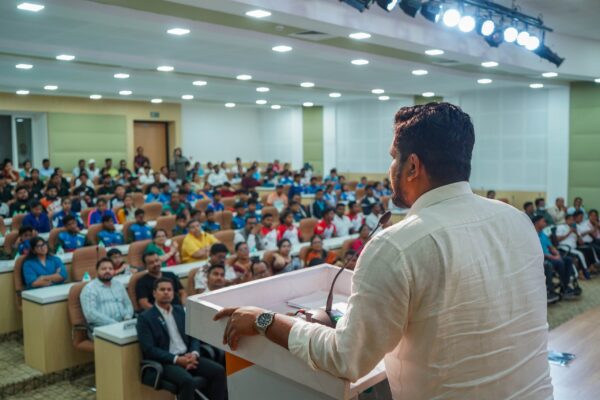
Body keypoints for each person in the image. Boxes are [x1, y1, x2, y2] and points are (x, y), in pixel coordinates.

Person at [214, 103, 554, 399]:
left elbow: (346, 358)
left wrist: (264, 320)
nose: (390, 168)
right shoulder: (517, 220)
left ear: (412, 167)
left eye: (394, 158)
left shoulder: (397, 246)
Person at [137, 278, 227, 400]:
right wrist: (177, 359)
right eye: (162, 289)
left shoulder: (180, 311)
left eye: (169, 290)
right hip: (167, 361)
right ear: (154, 293)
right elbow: (149, 349)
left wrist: (194, 354)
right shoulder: (145, 318)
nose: (166, 292)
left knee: (218, 371)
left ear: (173, 293)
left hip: (188, 356)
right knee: (187, 381)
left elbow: (193, 335)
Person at [80, 258, 134, 338]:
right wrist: (115, 324)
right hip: (102, 328)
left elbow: (128, 304)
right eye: (103, 269)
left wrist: (127, 317)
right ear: (97, 271)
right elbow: (90, 314)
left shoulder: (118, 285)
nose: (107, 271)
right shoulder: (89, 289)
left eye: (110, 269)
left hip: (124, 324)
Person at [533, 215, 578, 299]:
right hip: (540, 258)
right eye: (543, 221)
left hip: (550, 256)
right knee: (559, 262)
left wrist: (557, 254)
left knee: (568, 260)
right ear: (537, 222)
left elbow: (551, 247)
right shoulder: (532, 234)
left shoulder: (543, 234)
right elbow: (537, 252)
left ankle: (565, 286)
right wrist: (553, 257)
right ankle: (564, 288)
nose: (545, 223)